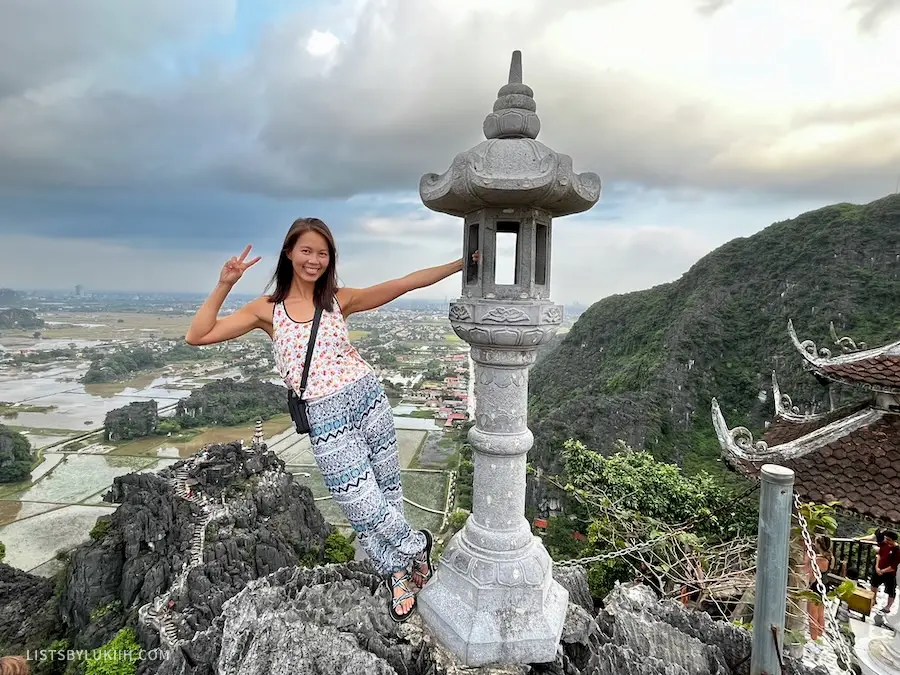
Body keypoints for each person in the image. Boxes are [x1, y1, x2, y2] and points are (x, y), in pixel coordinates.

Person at [185, 217, 476, 622]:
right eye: (306, 250)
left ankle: (397, 574)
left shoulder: (338, 300)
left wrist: (461, 264)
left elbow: (405, 283)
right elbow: (197, 335)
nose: (314, 259)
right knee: (360, 505)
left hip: (367, 398)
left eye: (323, 253)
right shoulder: (266, 310)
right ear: (289, 252)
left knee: (388, 492)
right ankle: (415, 548)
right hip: (324, 413)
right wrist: (225, 283)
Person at [861, 529, 900, 614]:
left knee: (891, 590)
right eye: (886, 539)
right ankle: (873, 600)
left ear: (894, 540)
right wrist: (877, 567)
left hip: (890, 573)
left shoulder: (897, 550)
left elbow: (893, 566)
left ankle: (888, 607)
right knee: (873, 585)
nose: (886, 541)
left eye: (888, 539)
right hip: (879, 569)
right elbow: (879, 555)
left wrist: (883, 571)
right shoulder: (884, 544)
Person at [806, 535, 833, 641]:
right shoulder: (831, 558)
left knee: (812, 613)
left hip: (816, 586)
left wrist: (808, 586)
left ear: (819, 545)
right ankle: (820, 634)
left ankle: (813, 637)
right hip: (825, 585)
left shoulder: (818, 559)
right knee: (821, 611)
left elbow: (812, 575)